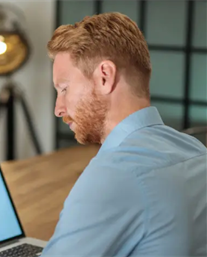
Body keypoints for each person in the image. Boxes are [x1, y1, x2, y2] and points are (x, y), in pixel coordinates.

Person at [41, 12, 206, 256]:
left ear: (105, 77)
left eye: (64, 88)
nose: (58, 108)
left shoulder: (113, 175)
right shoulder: (196, 151)